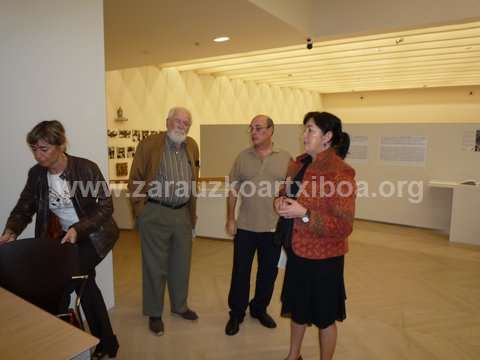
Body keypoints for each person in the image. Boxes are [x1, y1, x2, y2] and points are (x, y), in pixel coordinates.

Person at [0, 120, 119, 359]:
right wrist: (11, 230)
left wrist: (78, 229)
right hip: (65, 236)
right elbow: (25, 206)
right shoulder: (36, 174)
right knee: (85, 285)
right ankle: (105, 342)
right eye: (34, 149)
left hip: (94, 235)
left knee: (65, 284)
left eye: (43, 149)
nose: (37, 155)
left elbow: (106, 206)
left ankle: (62, 342)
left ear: (61, 145)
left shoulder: (85, 169)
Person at [274, 112, 356, 360]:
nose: (304, 135)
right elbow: (284, 192)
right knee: (298, 310)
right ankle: (293, 355)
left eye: (310, 130)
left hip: (324, 258)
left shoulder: (341, 172)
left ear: (327, 137)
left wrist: (305, 213)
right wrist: (279, 201)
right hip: (297, 251)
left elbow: (344, 226)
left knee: (324, 317)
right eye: (305, 129)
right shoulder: (298, 164)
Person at [128, 106, 200, 336]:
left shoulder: (192, 146)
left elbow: (192, 180)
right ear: (167, 121)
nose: (182, 125)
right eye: (177, 120)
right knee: (154, 266)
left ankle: (180, 306)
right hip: (155, 211)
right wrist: (141, 210)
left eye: (186, 122)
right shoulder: (150, 144)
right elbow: (136, 177)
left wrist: (191, 214)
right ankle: (154, 312)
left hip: (182, 214)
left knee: (181, 264)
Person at [225, 114, 291, 336]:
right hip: (245, 227)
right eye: (251, 128)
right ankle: (236, 313)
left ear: (271, 130)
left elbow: (290, 191)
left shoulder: (285, 158)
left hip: (273, 229)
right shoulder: (242, 157)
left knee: (268, 273)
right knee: (240, 272)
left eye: (259, 128)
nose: (254, 132)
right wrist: (231, 218)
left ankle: (259, 308)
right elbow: (233, 190)